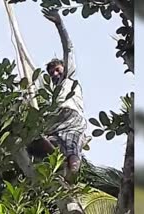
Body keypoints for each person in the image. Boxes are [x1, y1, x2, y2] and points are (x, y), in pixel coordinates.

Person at [42, 8, 89, 177]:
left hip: (71, 116)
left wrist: (59, 24)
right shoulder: (55, 91)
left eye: (57, 70)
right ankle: (59, 171)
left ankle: (72, 178)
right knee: (39, 142)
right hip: (56, 120)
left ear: (64, 68)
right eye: (52, 73)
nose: (55, 74)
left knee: (72, 149)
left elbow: (68, 48)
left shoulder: (68, 77)